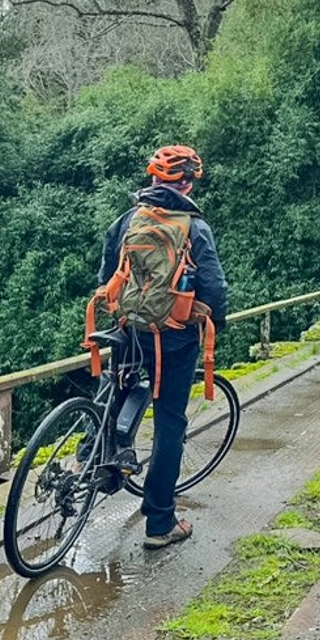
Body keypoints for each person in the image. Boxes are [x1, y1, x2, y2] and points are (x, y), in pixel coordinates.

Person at [98, 144, 227, 550]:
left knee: (114, 393)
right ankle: (159, 524)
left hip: (129, 328)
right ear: (187, 183)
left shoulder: (127, 219)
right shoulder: (193, 227)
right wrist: (214, 325)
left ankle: (93, 459)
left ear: (153, 179)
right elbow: (215, 287)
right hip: (174, 338)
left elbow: (105, 275)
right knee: (170, 423)